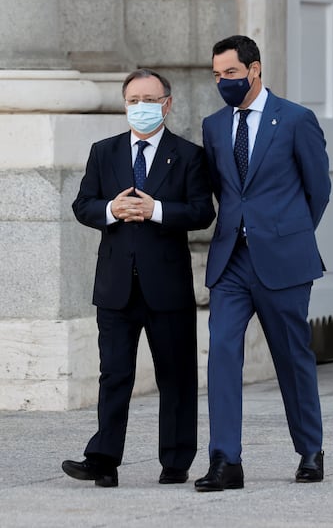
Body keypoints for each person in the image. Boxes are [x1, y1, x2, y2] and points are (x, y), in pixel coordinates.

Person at [62, 68, 215, 488]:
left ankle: (176, 459)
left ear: (167, 103)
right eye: (133, 100)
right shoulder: (104, 152)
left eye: (149, 100)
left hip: (166, 288)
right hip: (115, 286)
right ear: (124, 103)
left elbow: (203, 211)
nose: (141, 107)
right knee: (114, 374)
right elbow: (83, 204)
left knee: (176, 376)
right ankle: (104, 460)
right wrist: (111, 210)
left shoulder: (188, 155)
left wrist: (157, 210)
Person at [194, 35, 331, 492]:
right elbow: (222, 188)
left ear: (254, 69)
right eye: (216, 76)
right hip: (231, 261)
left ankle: (310, 450)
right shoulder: (213, 126)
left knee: (292, 358)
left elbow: (318, 190)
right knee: (222, 355)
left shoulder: (295, 119)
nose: (223, 82)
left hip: (282, 261)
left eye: (230, 73)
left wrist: (285, 233)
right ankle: (225, 460)